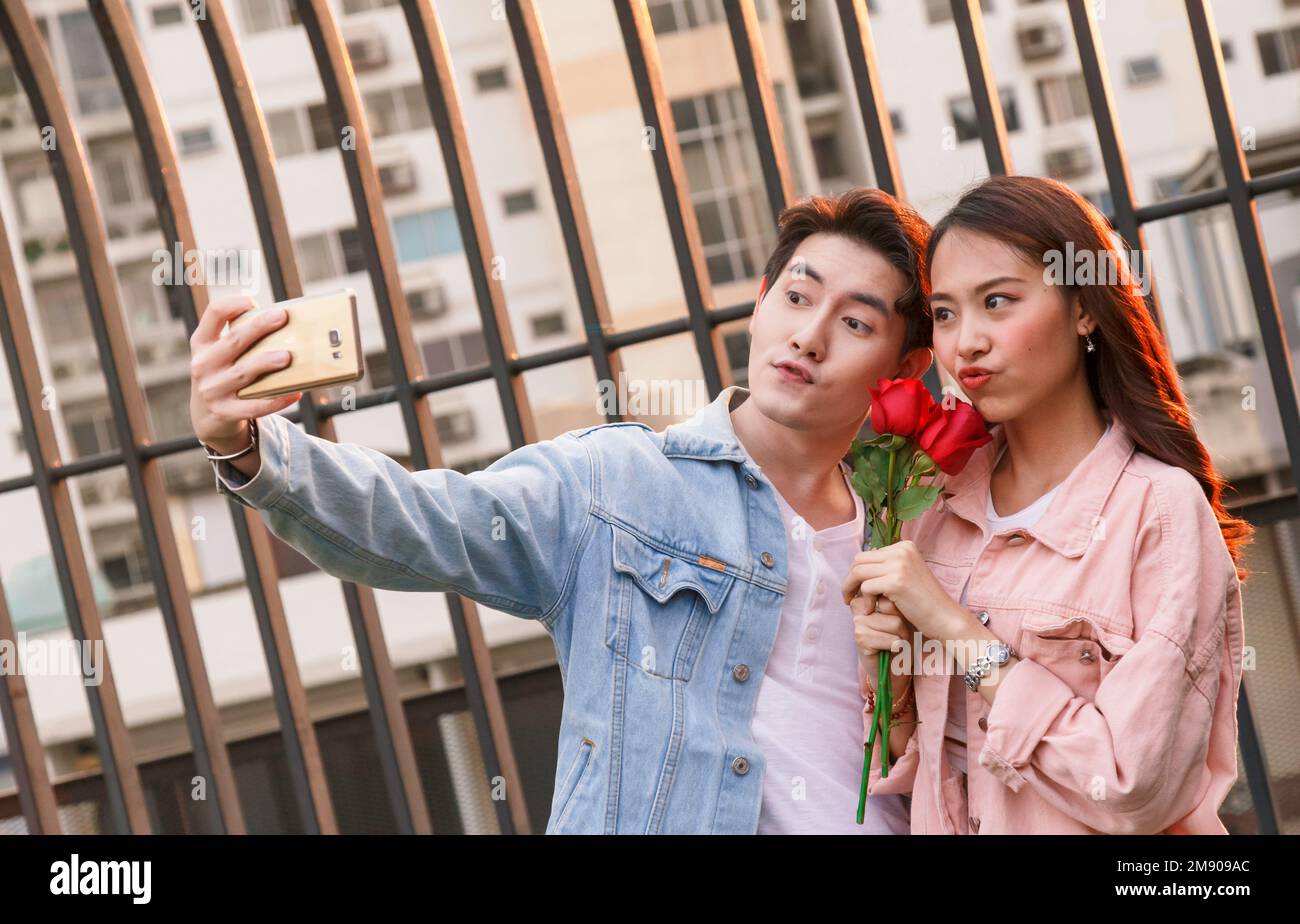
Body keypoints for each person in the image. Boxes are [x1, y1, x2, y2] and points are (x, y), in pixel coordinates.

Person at [189, 187, 933, 834]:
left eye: (856, 323)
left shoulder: (914, 536)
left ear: (905, 366)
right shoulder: (616, 484)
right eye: (797, 297)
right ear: (762, 297)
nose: (808, 335)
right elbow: (418, 522)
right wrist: (247, 445)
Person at [843, 174, 1249, 834]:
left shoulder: (1158, 510)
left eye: (997, 301)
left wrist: (955, 630)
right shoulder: (931, 505)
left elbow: (1133, 788)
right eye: (945, 314)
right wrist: (886, 678)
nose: (965, 341)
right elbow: (915, 768)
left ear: (1084, 307)